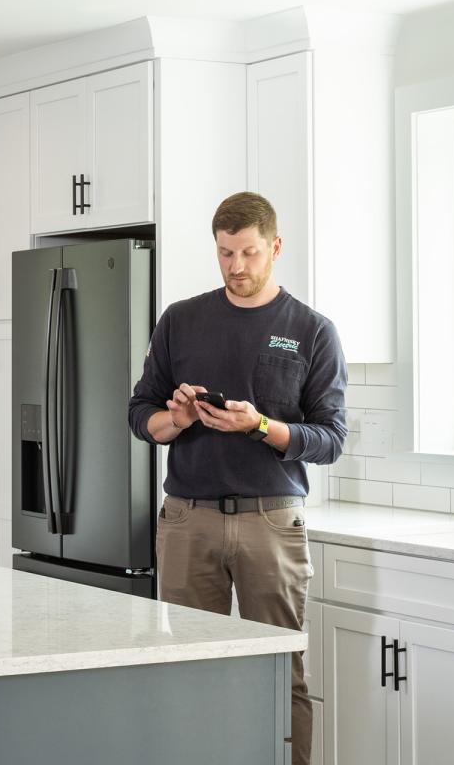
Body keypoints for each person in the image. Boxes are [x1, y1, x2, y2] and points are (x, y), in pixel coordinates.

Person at [128, 191, 347, 765]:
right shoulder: (181, 320)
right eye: (226, 253)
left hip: (271, 520)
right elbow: (140, 414)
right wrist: (176, 418)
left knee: (279, 671)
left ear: (275, 247)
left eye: (249, 252)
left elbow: (331, 439)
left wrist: (261, 425)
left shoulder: (311, 330)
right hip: (187, 519)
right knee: (187, 669)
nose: (236, 266)